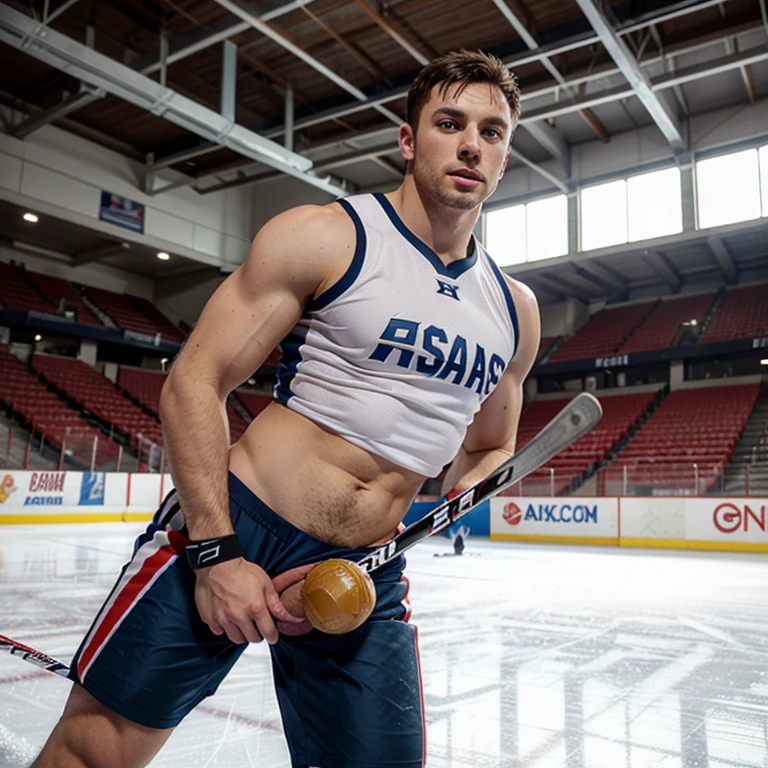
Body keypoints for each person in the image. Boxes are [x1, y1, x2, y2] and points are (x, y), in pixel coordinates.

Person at [32, 48, 541, 768]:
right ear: (407, 139)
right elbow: (193, 382)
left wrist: (466, 489)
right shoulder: (326, 236)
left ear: (505, 155)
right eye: (449, 122)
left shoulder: (516, 311)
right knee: (95, 752)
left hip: (365, 570)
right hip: (235, 527)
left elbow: (490, 446)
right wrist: (217, 556)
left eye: (492, 132)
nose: (470, 144)